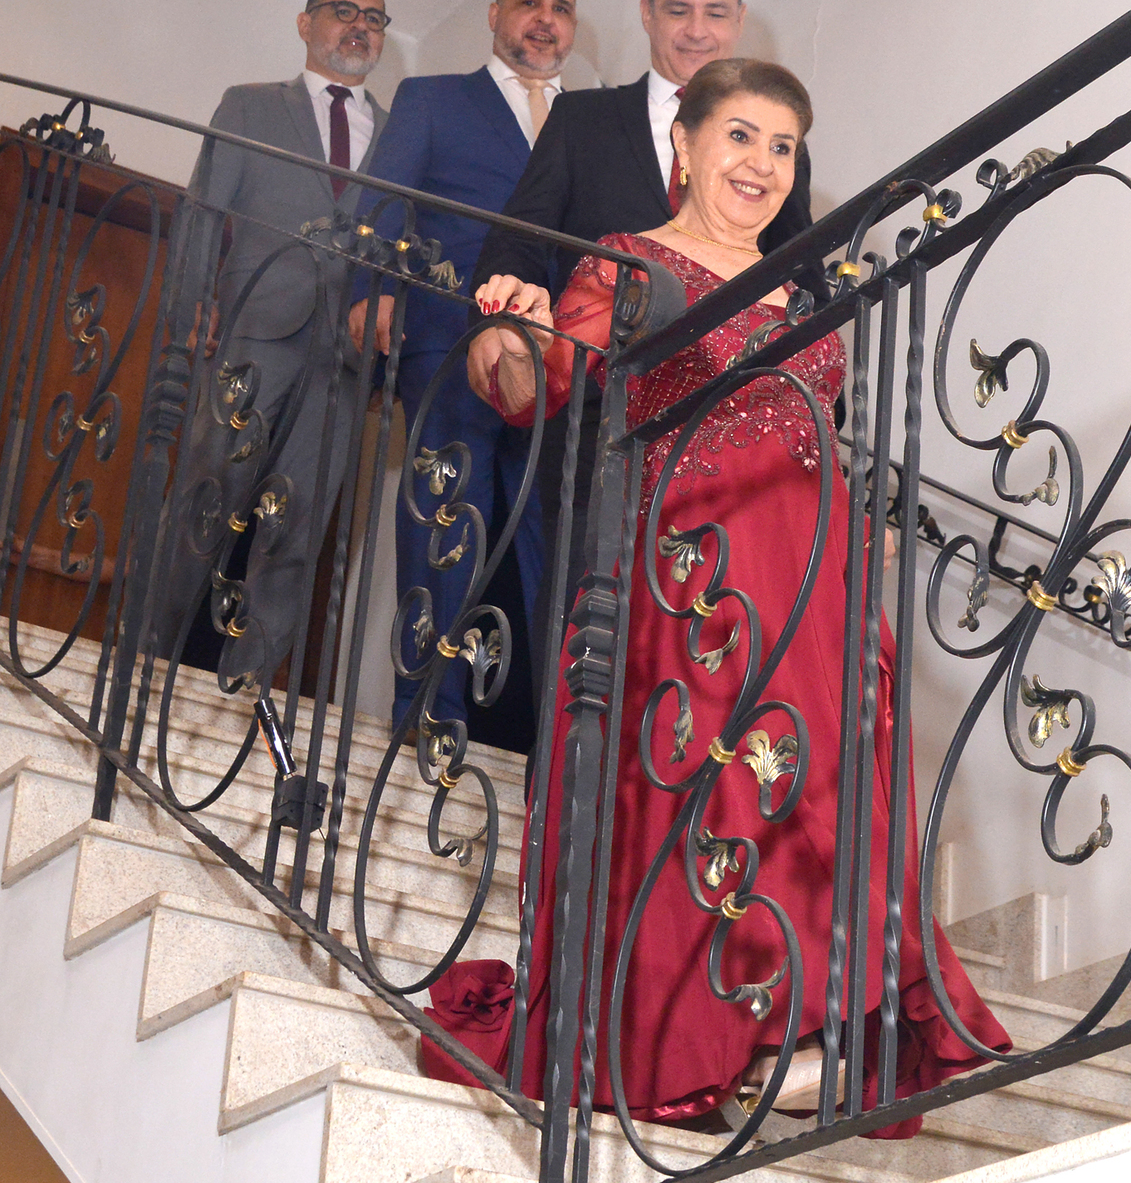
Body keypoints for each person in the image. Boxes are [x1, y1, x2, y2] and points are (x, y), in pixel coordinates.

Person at [422, 58, 1008, 1125]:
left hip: (811, 574)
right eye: (741, 135)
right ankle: (721, 1034)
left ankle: (810, 1019)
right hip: (692, 575)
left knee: (816, 784)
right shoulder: (630, 263)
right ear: (684, 146)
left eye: (783, 147)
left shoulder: (808, 288)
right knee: (714, 782)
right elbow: (538, 380)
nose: (763, 164)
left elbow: (817, 428)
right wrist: (506, 332)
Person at [467, 0, 823, 670]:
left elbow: (804, 281)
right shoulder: (583, 118)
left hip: (748, 459)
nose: (697, 29)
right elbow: (521, 238)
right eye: (678, 10)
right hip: (596, 420)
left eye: (715, 12)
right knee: (590, 640)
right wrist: (505, 317)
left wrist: (823, 434)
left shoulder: (777, 151)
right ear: (646, 14)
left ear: (739, 20)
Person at [347, 0, 578, 737]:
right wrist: (371, 288)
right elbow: (383, 201)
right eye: (529, 2)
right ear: (494, 13)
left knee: (554, 544)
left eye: (560, 9)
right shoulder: (433, 99)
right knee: (444, 523)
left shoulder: (589, 124)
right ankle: (425, 715)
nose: (544, 19)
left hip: (559, 367)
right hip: (450, 344)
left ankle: (555, 740)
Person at [161, 0, 390, 685]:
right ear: (305, 23)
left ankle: (247, 686)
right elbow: (202, 212)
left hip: (344, 360)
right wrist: (190, 308)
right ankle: (147, 657)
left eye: (375, 18)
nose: (360, 26)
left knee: (297, 526)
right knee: (208, 497)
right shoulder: (250, 105)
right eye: (344, 11)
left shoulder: (401, 135)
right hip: (255, 331)